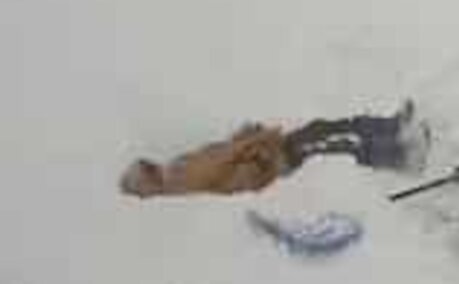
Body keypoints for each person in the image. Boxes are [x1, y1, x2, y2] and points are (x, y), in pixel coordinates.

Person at [119, 100, 429, 198]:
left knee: (322, 131)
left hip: (260, 158)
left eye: (145, 165)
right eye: (145, 172)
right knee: (330, 140)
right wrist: (256, 139)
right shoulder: (180, 176)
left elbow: (221, 154)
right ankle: (401, 156)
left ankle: (392, 128)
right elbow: (223, 160)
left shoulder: (177, 168)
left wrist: (243, 136)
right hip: (265, 164)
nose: (150, 166)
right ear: (148, 186)